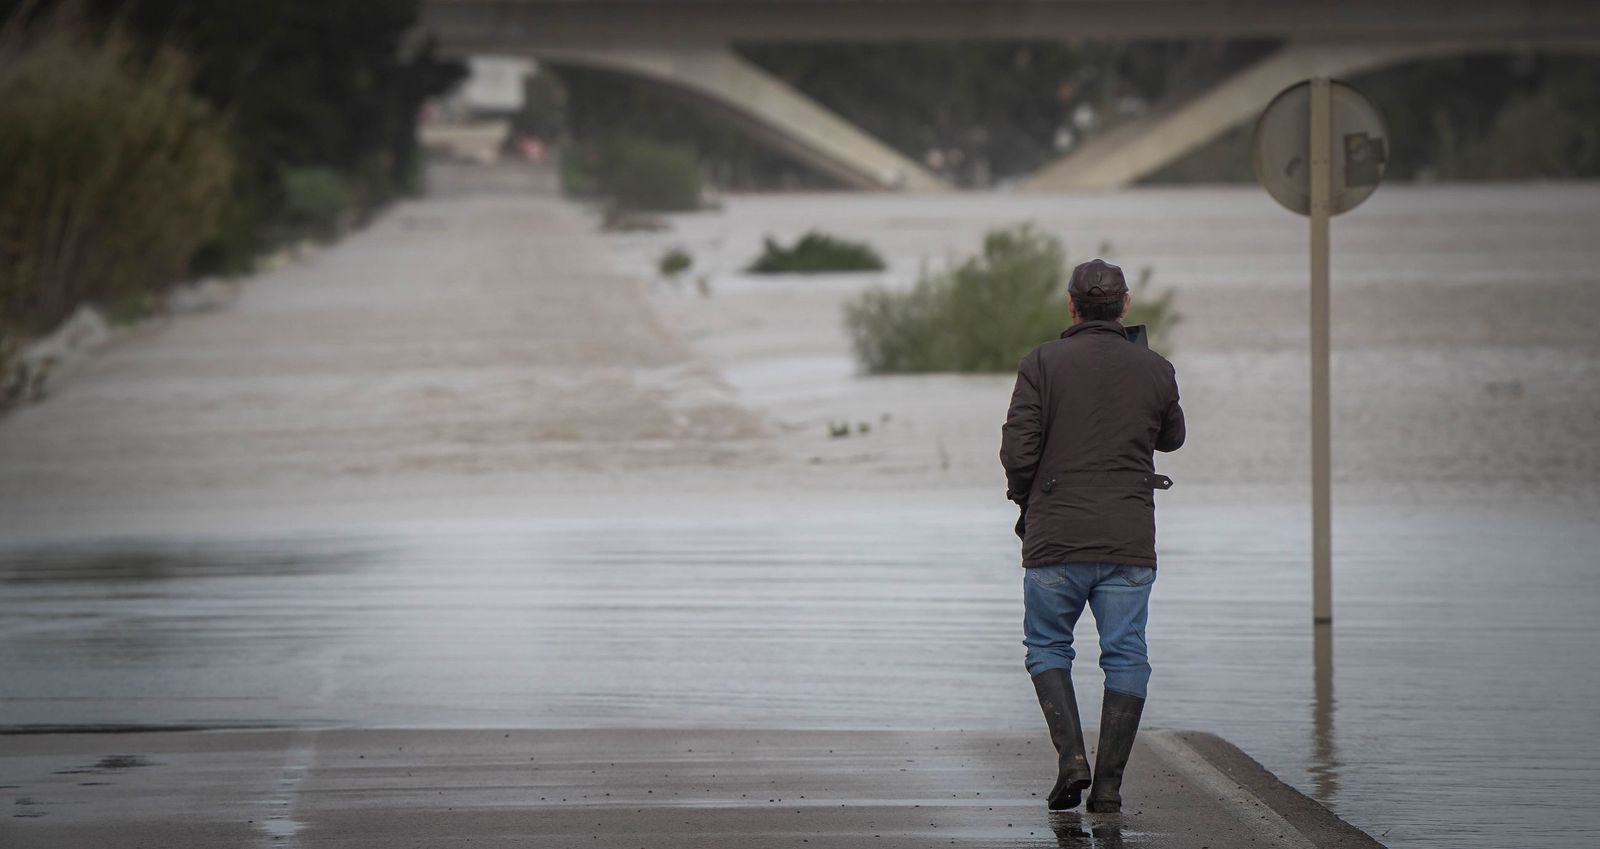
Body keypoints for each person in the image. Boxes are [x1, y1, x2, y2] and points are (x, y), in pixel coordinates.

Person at [999, 258, 1185, 812]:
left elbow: (1017, 453)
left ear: (1070, 304)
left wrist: (1024, 500)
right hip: (1129, 539)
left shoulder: (1041, 363)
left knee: (1048, 646)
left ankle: (1072, 759)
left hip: (1055, 536)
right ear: (1125, 305)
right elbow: (1172, 438)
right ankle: (1108, 787)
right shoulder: (1155, 367)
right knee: (1126, 653)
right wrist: (1145, 366)